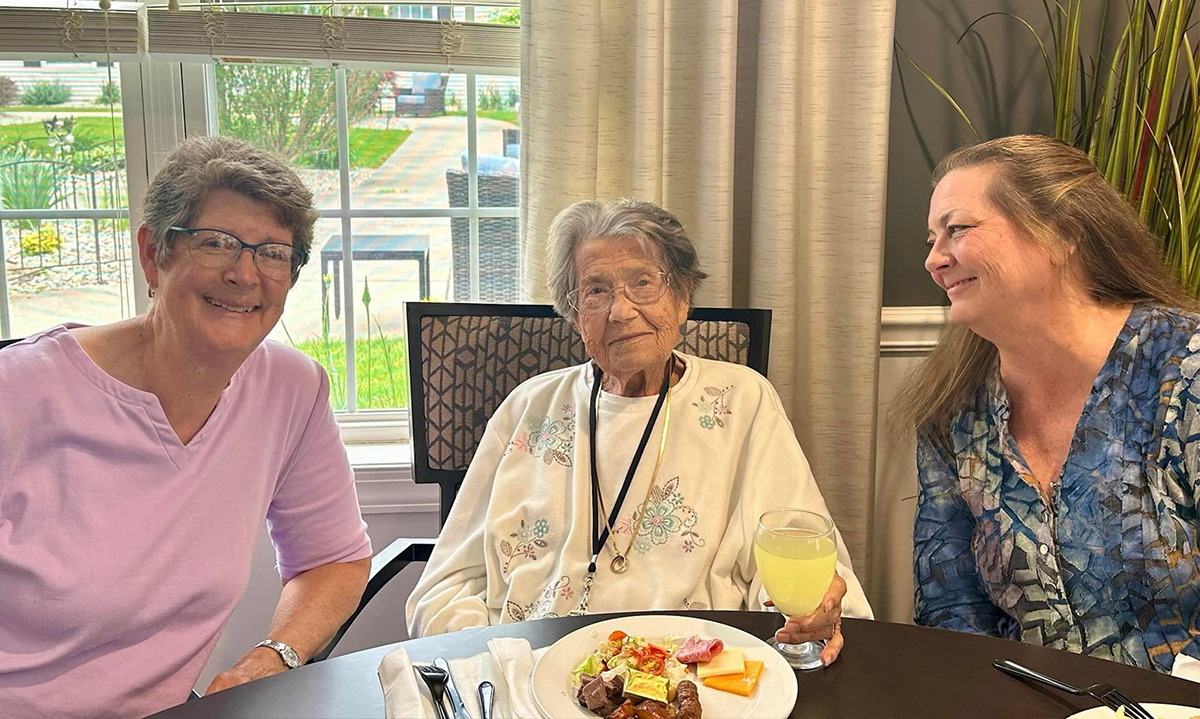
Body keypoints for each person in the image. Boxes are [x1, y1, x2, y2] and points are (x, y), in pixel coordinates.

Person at [0, 136, 372, 718]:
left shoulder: (292, 391)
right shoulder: (17, 394)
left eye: (273, 253)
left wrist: (272, 657)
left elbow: (333, 559)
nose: (245, 274)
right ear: (154, 254)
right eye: (217, 243)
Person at [406, 199, 871, 664]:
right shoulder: (529, 408)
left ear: (683, 296)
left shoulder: (742, 400)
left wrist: (808, 609)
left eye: (642, 283)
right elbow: (446, 586)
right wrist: (495, 673)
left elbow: (796, 550)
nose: (621, 311)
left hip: (693, 678)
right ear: (574, 314)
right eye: (595, 292)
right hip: (534, 670)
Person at [905, 134, 1200, 672]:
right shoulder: (951, 411)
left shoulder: (1186, 376)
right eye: (932, 238)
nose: (933, 260)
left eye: (958, 229)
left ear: (1063, 233)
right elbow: (951, 606)